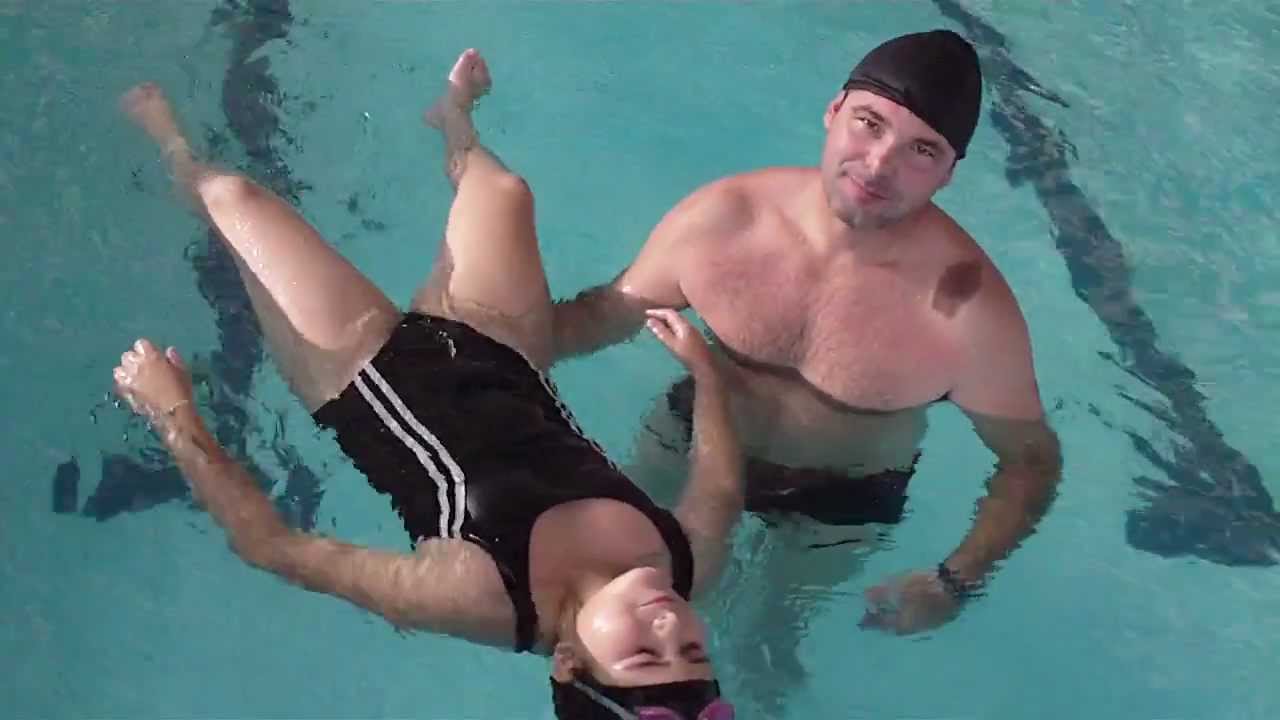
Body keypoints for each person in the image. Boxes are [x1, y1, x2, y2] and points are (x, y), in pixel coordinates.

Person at [112, 50, 741, 720]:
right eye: (696, 653)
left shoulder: (476, 597)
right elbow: (721, 489)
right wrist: (705, 373)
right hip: (505, 354)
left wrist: (173, 414)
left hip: (364, 369)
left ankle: (172, 149)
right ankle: (452, 121)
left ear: (568, 662)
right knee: (505, 193)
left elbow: (274, 548)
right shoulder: (685, 563)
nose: (671, 627)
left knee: (231, 197)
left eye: (644, 656)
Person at [549, 26, 1064, 696]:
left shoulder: (969, 312)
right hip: (691, 441)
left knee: (765, 651)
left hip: (842, 500)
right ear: (832, 111)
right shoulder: (724, 220)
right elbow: (597, 317)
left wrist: (954, 581)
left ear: (949, 171)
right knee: (603, 622)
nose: (879, 165)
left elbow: (1030, 461)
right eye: (868, 124)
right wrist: (473, 356)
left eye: (921, 150)